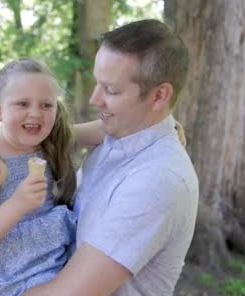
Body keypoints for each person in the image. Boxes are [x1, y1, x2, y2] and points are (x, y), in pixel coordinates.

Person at [25, 19, 199, 296]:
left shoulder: (157, 181)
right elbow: (51, 141)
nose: (95, 99)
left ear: (159, 96)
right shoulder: (119, 134)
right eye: (97, 83)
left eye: (111, 90)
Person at [0, 58, 104, 296]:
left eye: (46, 105)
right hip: (12, 283)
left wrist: (162, 125)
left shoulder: (52, 142)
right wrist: (17, 205)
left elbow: (105, 128)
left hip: (58, 267)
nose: (35, 113)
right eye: (22, 104)